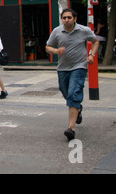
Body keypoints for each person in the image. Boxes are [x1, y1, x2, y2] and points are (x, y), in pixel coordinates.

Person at [46, 8, 99, 141]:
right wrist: (57, 51)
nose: (66, 20)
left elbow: (95, 41)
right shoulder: (57, 31)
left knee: (73, 93)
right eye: (64, 18)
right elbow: (48, 47)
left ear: (75, 19)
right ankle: (78, 108)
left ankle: (71, 128)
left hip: (79, 67)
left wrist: (91, 55)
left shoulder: (84, 30)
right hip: (63, 68)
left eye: (69, 17)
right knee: (66, 92)